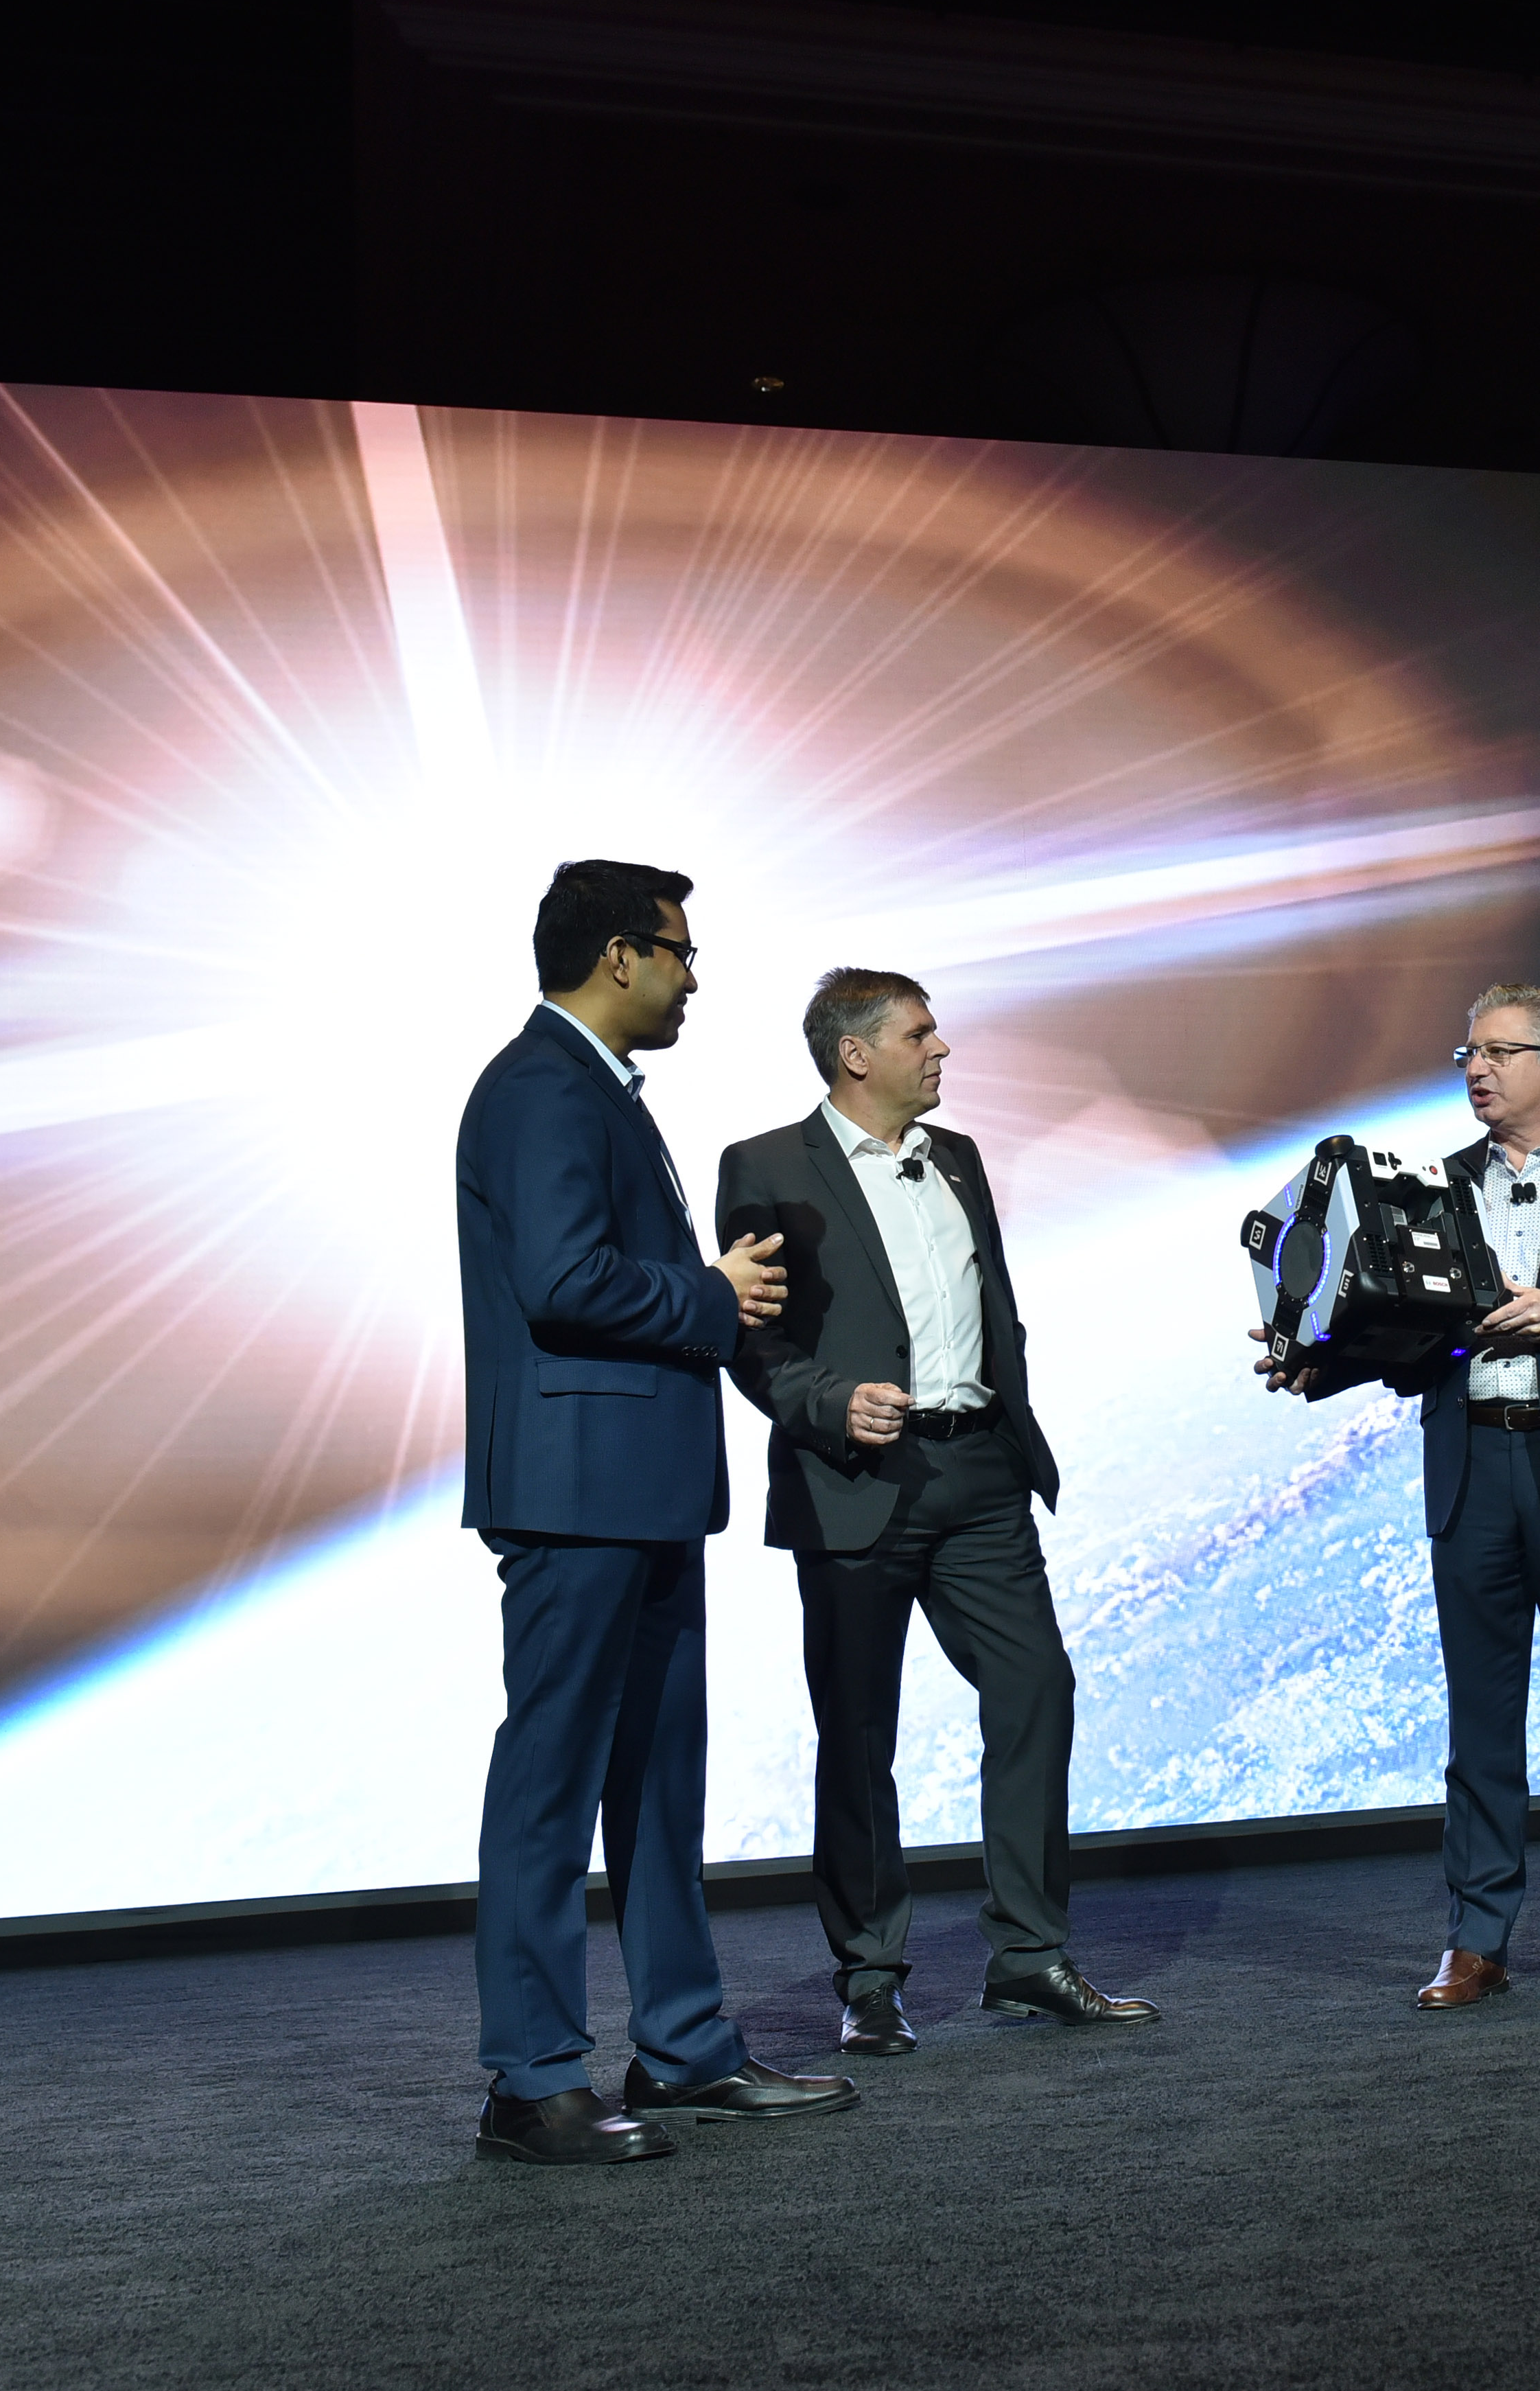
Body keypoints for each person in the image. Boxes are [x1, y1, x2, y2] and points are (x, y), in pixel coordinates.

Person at [454, 861, 860, 2164]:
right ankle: (532, 2081)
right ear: (620, 955)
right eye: (681, 952)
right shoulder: (540, 1087)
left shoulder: (599, 1091)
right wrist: (712, 1293)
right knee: (552, 1787)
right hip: (575, 1496)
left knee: (659, 1786)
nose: (694, 978)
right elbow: (563, 1278)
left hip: (639, 1492)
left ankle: (684, 2049)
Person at [714, 969, 1155, 2053]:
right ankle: (870, 1976)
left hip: (981, 1476)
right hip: (855, 1482)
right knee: (860, 1731)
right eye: (920, 1034)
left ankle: (1030, 1955)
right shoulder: (765, 1166)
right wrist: (830, 1402)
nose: (941, 1048)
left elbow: (992, 1306)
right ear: (856, 1053)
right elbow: (752, 1337)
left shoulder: (955, 1156)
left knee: (1036, 1687)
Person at [1250, 982, 1540, 2007]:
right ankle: (1477, 1939)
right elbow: (1402, 1330)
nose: (1477, 1069)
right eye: (1469, 1053)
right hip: (1472, 1475)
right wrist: (1315, 1363)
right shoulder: (1432, 1186)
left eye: (1499, 1052)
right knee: (1481, 1723)